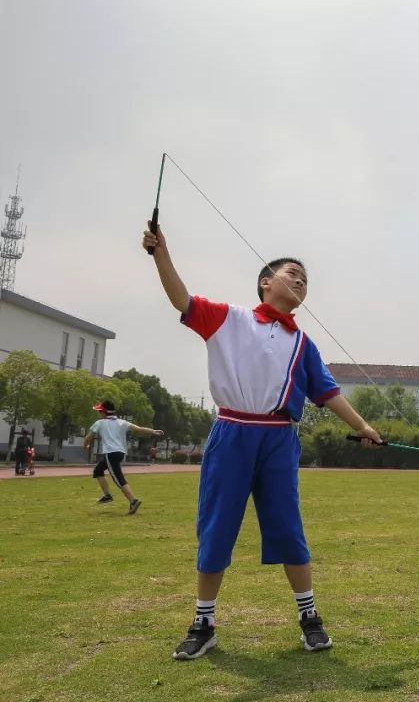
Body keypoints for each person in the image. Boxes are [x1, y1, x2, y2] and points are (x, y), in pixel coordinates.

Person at [143, 223, 383, 660]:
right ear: (265, 282)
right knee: (216, 528)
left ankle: (310, 618)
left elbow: (327, 393)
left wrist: (364, 427)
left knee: (289, 530)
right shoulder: (228, 318)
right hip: (232, 432)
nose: (300, 282)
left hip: (278, 440)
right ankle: (203, 623)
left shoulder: (302, 343)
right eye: (292, 273)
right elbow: (181, 298)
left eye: (305, 280)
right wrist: (161, 254)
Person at [84, 400, 164, 513]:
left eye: (100, 411)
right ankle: (107, 495)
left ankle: (133, 501)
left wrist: (85, 446)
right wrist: (153, 431)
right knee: (98, 470)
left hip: (111, 453)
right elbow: (139, 429)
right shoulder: (122, 422)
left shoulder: (100, 423)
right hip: (120, 453)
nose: (99, 414)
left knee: (118, 478)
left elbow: (88, 438)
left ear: (103, 412)